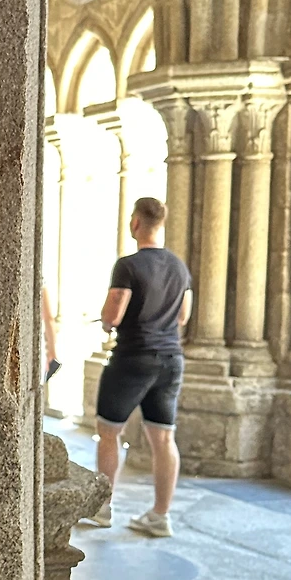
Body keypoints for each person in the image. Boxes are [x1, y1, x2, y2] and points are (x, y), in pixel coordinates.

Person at [83, 196, 192, 537]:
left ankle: (103, 508)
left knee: (108, 432)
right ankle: (160, 516)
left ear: (135, 223)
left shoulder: (127, 266)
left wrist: (105, 322)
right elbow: (183, 316)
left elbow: (114, 313)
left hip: (133, 358)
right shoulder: (179, 267)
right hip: (170, 359)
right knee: (164, 438)